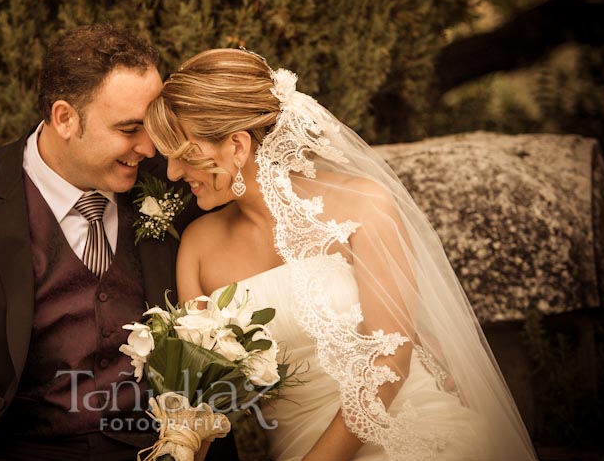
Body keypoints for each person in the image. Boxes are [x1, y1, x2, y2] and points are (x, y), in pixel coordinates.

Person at [144, 48, 537, 461]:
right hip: (294, 446)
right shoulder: (197, 247)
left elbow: (391, 361)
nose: (171, 174)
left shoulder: (363, 204)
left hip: (410, 429)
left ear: (238, 147)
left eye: (184, 155)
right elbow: (202, 395)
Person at [0, 26, 238, 461]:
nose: (150, 146)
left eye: (153, 124)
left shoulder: (182, 185)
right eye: (130, 129)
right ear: (65, 118)